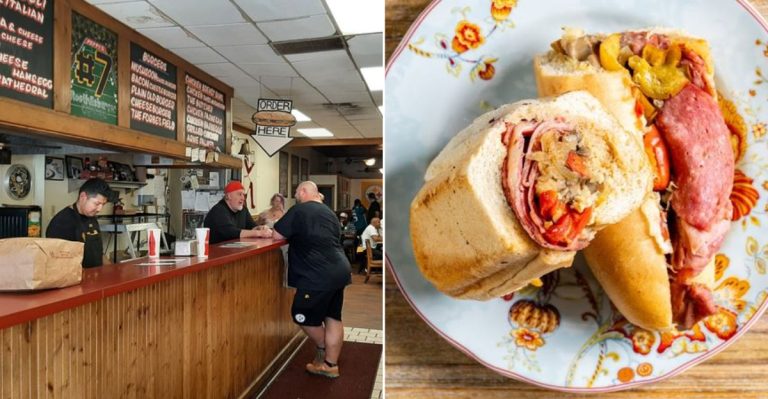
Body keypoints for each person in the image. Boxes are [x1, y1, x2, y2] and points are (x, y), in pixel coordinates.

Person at [273, 181, 351, 379]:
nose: (296, 196)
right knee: (332, 316)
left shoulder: (300, 210)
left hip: (317, 274)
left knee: (301, 313)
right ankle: (330, 365)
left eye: (297, 192)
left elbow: (276, 234)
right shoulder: (329, 213)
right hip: (339, 270)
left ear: (304, 191)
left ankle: (323, 348)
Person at [46, 178, 113, 268]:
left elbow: (99, 254)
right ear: (83, 197)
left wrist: (112, 270)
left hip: (96, 277)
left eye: (103, 204)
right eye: (97, 204)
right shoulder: (62, 222)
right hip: (76, 279)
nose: (99, 209)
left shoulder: (91, 217)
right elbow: (60, 265)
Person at [204, 181, 272, 244]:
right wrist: (259, 233)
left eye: (243, 195)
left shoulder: (243, 209)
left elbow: (251, 226)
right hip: (217, 253)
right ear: (229, 196)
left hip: (235, 250)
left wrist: (260, 228)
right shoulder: (219, 210)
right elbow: (232, 232)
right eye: (239, 194)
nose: (243, 198)